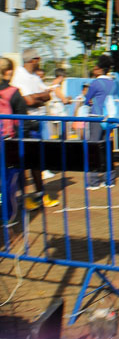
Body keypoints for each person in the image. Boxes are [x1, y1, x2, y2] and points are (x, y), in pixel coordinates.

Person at [11, 49, 56, 208]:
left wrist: (38, 97)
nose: (40, 60)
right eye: (38, 57)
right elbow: (28, 101)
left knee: (36, 161)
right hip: (25, 124)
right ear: (33, 60)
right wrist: (39, 97)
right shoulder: (20, 76)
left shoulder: (35, 76)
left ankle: (38, 195)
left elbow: (47, 95)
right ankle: (22, 197)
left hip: (37, 122)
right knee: (24, 162)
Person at [84, 55, 119, 190]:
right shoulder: (114, 83)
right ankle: (109, 179)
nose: (94, 69)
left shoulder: (95, 83)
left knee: (94, 147)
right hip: (110, 117)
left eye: (95, 67)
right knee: (107, 147)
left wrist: (88, 100)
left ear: (100, 69)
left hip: (96, 116)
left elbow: (87, 98)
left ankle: (94, 181)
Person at [0, 57, 29, 223]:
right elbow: (22, 121)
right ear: (8, 72)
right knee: (7, 184)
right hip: (7, 143)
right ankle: (7, 220)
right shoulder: (13, 93)